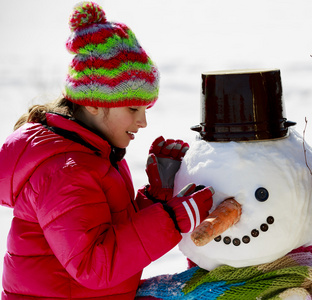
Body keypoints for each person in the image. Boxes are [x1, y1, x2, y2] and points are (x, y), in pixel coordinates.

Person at [0, 2, 213, 299]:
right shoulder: (65, 170)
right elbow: (95, 265)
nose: (143, 121)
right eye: (133, 108)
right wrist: (173, 218)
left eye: (146, 108)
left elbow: (107, 230)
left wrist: (156, 198)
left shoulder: (94, 153)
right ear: (93, 104)